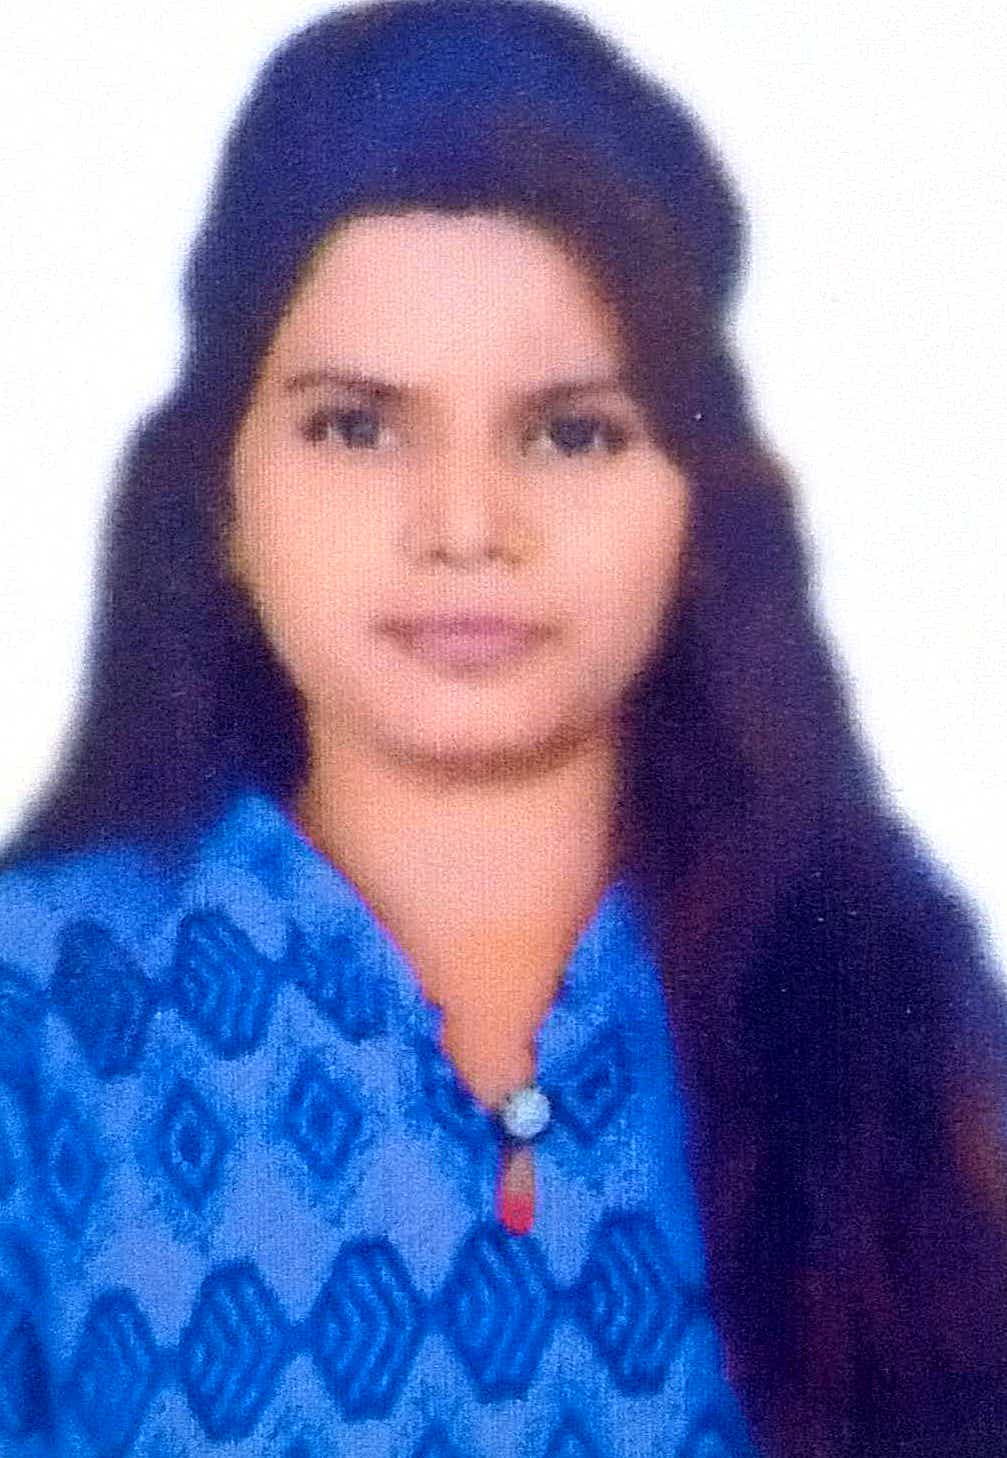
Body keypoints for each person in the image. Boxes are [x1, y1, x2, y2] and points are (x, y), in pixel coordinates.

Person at [0, 2, 1004, 1456]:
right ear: (221, 498)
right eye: (357, 426)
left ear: (696, 503)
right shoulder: (39, 1013)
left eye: (570, 432)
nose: (467, 526)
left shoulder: (883, 1007)